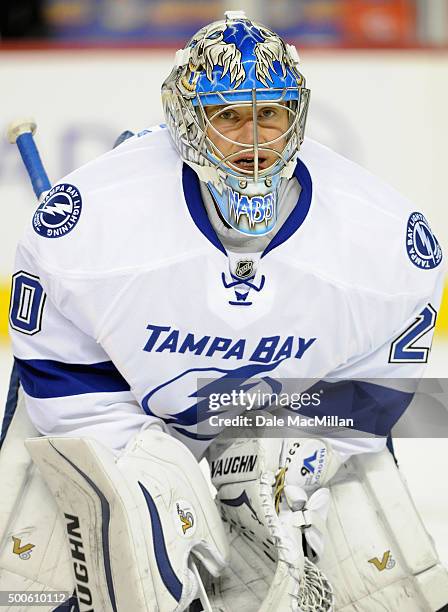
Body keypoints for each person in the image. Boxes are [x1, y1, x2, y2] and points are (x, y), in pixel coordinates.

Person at [3, 10, 448, 612]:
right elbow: (60, 369)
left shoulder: (382, 240)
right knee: (48, 590)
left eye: (270, 114)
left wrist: (310, 447)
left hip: (283, 433)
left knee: (379, 598)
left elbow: (376, 377)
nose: (255, 141)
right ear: (188, 122)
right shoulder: (92, 227)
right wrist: (146, 474)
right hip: (118, 425)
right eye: (229, 117)